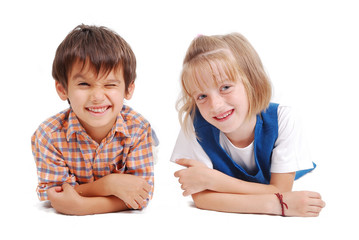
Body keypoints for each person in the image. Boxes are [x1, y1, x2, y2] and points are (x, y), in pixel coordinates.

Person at [171, 33, 325, 217]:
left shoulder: (283, 118)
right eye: (202, 96)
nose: (215, 105)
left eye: (225, 87)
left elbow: (282, 189)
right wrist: (276, 205)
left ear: (253, 81)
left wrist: (214, 181)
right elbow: (203, 199)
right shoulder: (195, 125)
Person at [31, 24, 155, 215]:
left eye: (110, 84)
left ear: (129, 89)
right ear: (63, 89)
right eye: (84, 84)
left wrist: (82, 205)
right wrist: (109, 184)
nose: (97, 96)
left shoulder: (138, 128)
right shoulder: (48, 135)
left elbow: (141, 195)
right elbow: (55, 195)